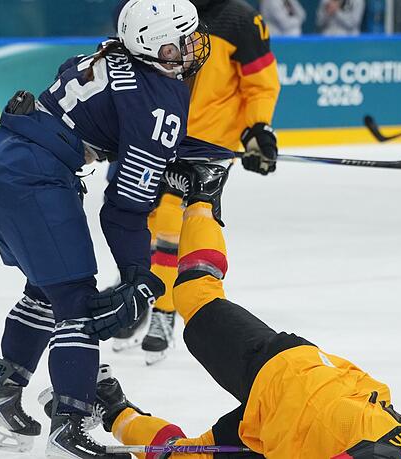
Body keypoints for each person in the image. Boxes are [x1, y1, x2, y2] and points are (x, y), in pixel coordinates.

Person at [57, 160, 401, 459]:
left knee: (181, 455)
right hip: (285, 378)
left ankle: (112, 407)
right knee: (197, 297)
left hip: (277, 426)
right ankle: (203, 197)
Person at [0, 1, 211, 457]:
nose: (193, 48)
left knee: (46, 290)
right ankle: (69, 427)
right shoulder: (159, 95)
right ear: (153, 44)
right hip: (33, 178)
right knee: (78, 303)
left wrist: (174, 153)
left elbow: (123, 124)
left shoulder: (107, 53)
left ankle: (1, 403)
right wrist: (139, 272)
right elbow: (123, 209)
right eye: (180, 42)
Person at [109, 0, 282, 366]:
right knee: (145, 218)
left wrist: (257, 130)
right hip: (157, 133)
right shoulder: (157, 9)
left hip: (206, 146)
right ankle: (142, 291)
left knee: (174, 222)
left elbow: (261, 84)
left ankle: (164, 309)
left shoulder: (240, 20)